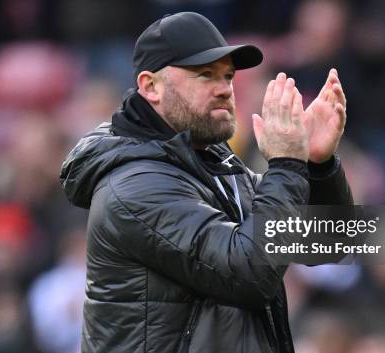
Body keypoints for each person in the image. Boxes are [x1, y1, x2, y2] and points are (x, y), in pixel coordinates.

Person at [60, 12, 353, 353]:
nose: (224, 89)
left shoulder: (218, 167)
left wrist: (317, 165)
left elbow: (331, 244)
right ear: (150, 87)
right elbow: (247, 274)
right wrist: (287, 164)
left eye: (228, 76)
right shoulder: (134, 185)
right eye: (205, 75)